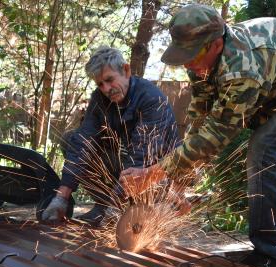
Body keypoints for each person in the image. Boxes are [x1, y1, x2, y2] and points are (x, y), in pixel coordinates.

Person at [120, 4, 276, 267]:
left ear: (216, 44)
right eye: (184, 55)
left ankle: (269, 254)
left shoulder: (243, 69)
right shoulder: (200, 61)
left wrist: (154, 173)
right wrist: (178, 187)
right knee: (270, 163)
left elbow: (216, 135)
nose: (188, 63)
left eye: (192, 56)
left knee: (265, 152)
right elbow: (201, 122)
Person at [41, 46, 179, 225]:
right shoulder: (100, 99)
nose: (106, 89)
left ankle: (121, 209)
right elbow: (84, 141)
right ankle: (103, 206)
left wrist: (117, 204)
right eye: (100, 84)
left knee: (140, 183)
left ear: (126, 70)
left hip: (157, 173)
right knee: (71, 140)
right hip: (127, 164)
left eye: (109, 80)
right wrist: (61, 198)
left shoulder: (151, 99)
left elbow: (142, 157)